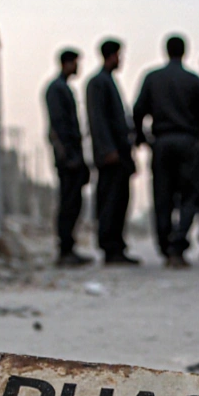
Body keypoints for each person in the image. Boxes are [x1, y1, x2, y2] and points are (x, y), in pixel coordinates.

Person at [133, 35, 199, 269]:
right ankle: (179, 241)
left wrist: (143, 138)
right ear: (185, 52)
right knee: (190, 196)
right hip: (187, 142)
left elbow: (137, 111)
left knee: (162, 196)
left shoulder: (152, 78)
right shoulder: (194, 81)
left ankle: (165, 244)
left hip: (161, 142)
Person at [85, 39, 139, 265]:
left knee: (120, 201)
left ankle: (117, 245)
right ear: (111, 56)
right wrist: (108, 150)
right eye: (118, 55)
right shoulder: (98, 83)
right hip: (111, 156)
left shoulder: (108, 81)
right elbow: (97, 120)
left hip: (120, 154)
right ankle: (109, 246)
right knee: (110, 202)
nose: (121, 60)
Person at [44, 48, 90, 267]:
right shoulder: (56, 89)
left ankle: (69, 247)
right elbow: (58, 127)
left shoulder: (63, 89)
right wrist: (68, 156)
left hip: (73, 154)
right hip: (67, 156)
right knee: (68, 202)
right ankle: (64, 249)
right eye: (75, 63)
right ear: (67, 63)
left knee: (74, 202)